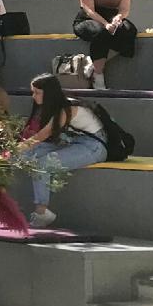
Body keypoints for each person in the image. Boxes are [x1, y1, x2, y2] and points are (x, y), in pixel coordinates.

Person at [19, 73, 108, 228]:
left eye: (37, 92)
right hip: (73, 142)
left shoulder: (67, 109)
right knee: (28, 154)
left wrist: (14, 150)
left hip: (93, 146)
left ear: (49, 93)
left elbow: (41, 135)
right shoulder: (52, 107)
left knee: (42, 164)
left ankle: (42, 212)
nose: (33, 96)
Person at [74, 0, 137, 89]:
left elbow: (124, 9)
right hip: (88, 18)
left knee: (129, 31)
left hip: (111, 15)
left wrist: (118, 18)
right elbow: (89, 10)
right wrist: (106, 24)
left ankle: (94, 63)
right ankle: (98, 75)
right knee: (101, 32)